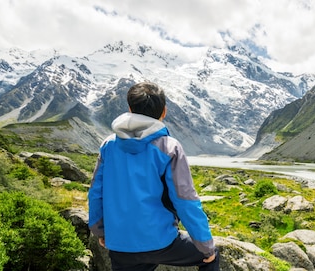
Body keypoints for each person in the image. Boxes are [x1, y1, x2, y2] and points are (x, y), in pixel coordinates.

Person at [88, 82, 219, 271]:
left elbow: (96, 193)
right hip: (161, 242)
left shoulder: (109, 145)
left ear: (130, 109)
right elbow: (185, 199)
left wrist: (100, 231)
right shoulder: (169, 147)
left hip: (120, 243)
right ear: (164, 112)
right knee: (211, 257)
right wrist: (206, 247)